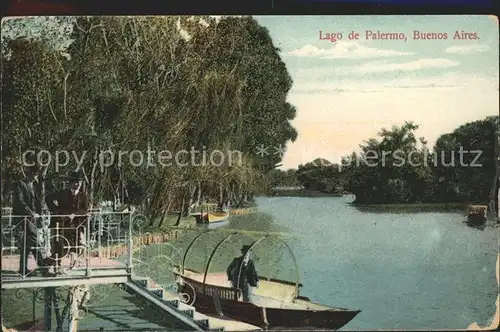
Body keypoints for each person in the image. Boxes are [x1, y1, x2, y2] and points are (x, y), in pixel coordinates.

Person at [46, 170, 88, 274]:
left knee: (74, 246)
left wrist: (75, 214)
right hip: (61, 224)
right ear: (71, 183)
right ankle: (56, 266)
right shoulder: (62, 193)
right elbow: (48, 198)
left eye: (80, 182)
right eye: (75, 182)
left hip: (76, 225)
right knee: (59, 245)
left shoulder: (84, 196)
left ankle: (72, 265)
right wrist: (56, 211)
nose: (78, 184)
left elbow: (84, 210)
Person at [13, 163, 50, 276]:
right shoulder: (20, 184)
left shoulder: (34, 186)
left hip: (31, 220)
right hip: (23, 219)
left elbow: (38, 201)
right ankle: (42, 268)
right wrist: (31, 213)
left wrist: (42, 211)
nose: (35, 177)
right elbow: (19, 202)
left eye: (36, 175)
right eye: (34, 174)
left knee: (29, 244)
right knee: (33, 242)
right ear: (29, 173)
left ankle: (24, 269)